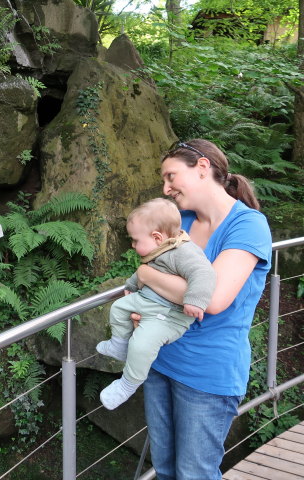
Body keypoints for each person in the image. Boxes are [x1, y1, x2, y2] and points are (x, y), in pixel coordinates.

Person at [135, 139, 272, 480]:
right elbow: (154, 284)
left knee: (194, 473)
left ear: (201, 167)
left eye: (171, 176)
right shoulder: (178, 221)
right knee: (165, 470)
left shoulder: (247, 226)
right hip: (160, 361)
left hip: (207, 374)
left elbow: (212, 299)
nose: (166, 189)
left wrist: (146, 274)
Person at [96, 198, 216, 410]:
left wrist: (195, 300)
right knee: (118, 308)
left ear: (157, 237)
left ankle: (127, 384)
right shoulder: (159, 248)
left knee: (141, 344)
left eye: (134, 240)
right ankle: (119, 344)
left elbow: (204, 273)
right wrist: (132, 286)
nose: (132, 246)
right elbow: (144, 271)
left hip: (168, 315)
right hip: (148, 301)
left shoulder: (184, 252)